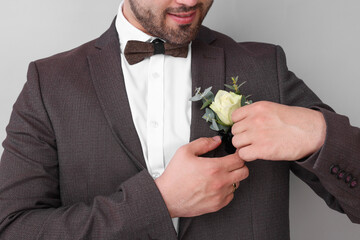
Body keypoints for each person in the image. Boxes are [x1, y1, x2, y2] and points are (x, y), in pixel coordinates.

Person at [0, 0, 359, 239]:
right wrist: (159, 201)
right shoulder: (49, 84)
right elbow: (13, 229)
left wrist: (318, 133)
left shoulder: (264, 68)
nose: (189, 1)